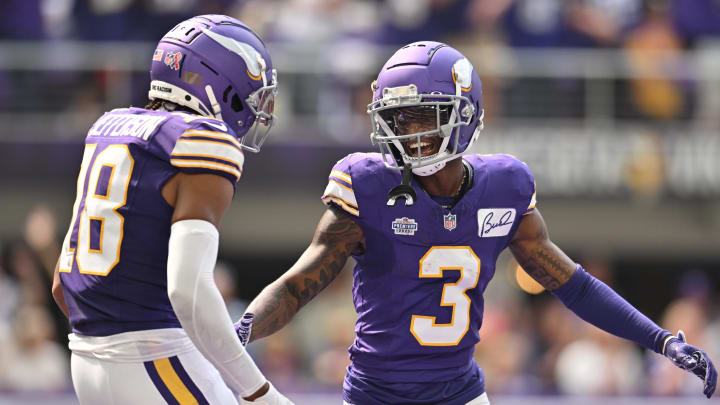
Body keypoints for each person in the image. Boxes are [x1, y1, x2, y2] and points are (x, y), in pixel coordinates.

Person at [233, 41, 717, 404]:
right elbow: (299, 284)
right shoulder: (367, 184)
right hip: (375, 396)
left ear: (464, 113)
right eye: (397, 119)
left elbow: (574, 286)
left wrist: (661, 340)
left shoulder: (503, 186)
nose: (408, 133)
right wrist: (240, 331)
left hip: (461, 395)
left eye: (423, 116)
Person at [51, 15, 292, 405]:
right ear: (221, 81)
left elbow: (62, 285)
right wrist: (259, 392)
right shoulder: (203, 141)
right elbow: (189, 291)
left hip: (85, 359)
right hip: (153, 358)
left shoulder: (108, 126)